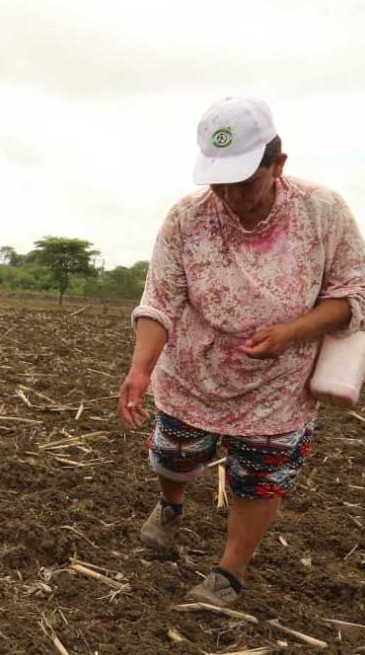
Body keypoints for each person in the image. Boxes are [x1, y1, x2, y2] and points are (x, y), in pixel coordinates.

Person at [119, 96, 365, 606]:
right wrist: (141, 368)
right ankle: (170, 507)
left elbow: (353, 294)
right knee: (173, 455)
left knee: (259, 476)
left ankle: (229, 573)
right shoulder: (187, 219)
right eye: (219, 182)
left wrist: (294, 331)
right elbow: (160, 299)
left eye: (245, 181)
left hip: (279, 385)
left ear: (278, 165)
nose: (231, 195)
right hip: (193, 373)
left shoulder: (322, 212)